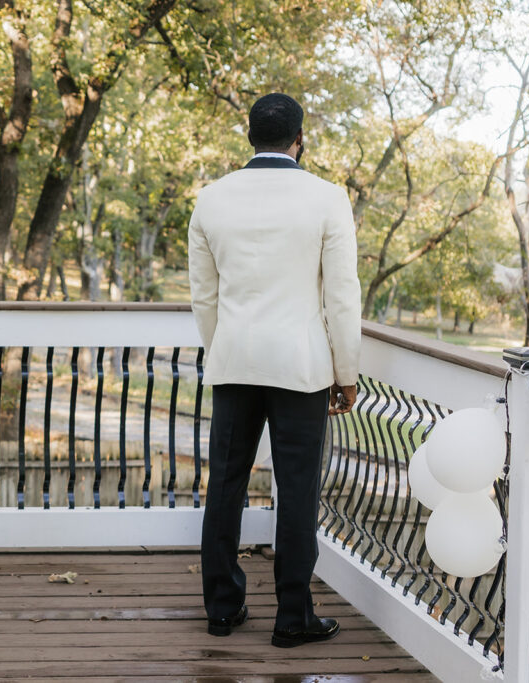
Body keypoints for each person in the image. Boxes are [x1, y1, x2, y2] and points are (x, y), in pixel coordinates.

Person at [188, 93, 360, 648]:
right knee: (298, 488)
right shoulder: (328, 198)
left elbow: (203, 298)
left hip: (235, 361)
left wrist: (227, 350)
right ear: (298, 138)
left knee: (226, 485)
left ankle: (221, 608)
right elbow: (341, 296)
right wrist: (346, 369)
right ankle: (293, 616)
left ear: (250, 136)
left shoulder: (211, 199)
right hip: (303, 367)